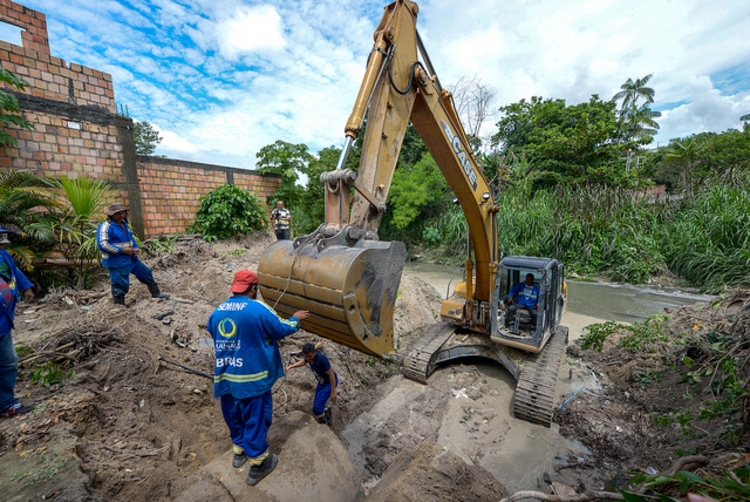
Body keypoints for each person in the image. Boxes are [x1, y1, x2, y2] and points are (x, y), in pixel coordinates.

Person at [206, 269, 309, 486]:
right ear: (253, 289)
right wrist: (295, 319)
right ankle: (258, 464)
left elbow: (211, 331)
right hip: (253, 379)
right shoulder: (257, 308)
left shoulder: (218, 310)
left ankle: (239, 452)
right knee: (256, 419)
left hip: (226, 377)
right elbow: (281, 328)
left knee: (233, 415)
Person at [97, 203, 169, 306]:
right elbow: (103, 244)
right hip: (116, 262)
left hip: (130, 259)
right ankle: (119, 305)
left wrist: (135, 248)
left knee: (146, 272)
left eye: (123, 213)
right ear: (112, 215)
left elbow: (130, 240)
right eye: (118, 214)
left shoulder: (124, 225)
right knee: (119, 284)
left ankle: (156, 293)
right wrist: (122, 250)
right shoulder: (106, 227)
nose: (121, 215)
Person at [0, 225, 35, 418]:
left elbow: (16, 273)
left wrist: (26, 287)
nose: (2, 240)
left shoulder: (4, 256)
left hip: (3, 321)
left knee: (9, 361)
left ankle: (6, 403)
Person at [285, 342, 338, 425]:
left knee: (316, 409)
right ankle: (327, 412)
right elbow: (303, 362)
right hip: (321, 382)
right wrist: (290, 367)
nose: (308, 358)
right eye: (306, 356)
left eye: (309, 356)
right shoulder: (309, 358)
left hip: (328, 383)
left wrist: (333, 391)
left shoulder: (321, 359)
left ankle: (324, 423)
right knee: (317, 405)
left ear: (314, 352)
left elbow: (331, 374)